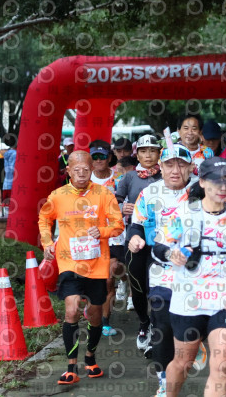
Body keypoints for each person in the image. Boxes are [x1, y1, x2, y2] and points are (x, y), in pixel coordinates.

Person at [159, 157, 226, 397]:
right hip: (189, 298)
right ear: (201, 182)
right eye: (216, 181)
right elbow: (159, 247)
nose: (223, 187)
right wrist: (171, 253)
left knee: (221, 364)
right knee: (183, 363)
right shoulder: (183, 214)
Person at [38, 150, 124, 385]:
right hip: (69, 262)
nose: (82, 173)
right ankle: (71, 367)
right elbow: (44, 219)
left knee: (95, 315)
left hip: (96, 264)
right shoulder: (58, 195)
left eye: (86, 169)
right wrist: (47, 242)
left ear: (92, 170)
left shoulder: (104, 194)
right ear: (68, 171)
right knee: (72, 310)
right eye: (76, 170)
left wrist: (102, 231)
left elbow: (118, 224)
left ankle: (91, 357)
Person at [127, 144, 201, 397]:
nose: (175, 170)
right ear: (160, 167)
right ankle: (163, 380)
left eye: (181, 164)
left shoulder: (203, 190)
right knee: (162, 323)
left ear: (191, 167)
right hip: (162, 268)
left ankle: (192, 348)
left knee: (190, 324)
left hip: (198, 270)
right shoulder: (150, 193)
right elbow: (137, 224)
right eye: (169, 164)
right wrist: (135, 238)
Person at [115, 134, 163, 350]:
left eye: (152, 151)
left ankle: (161, 324)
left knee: (159, 285)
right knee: (137, 282)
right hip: (136, 236)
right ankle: (144, 322)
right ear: (137, 155)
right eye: (143, 151)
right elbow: (113, 203)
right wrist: (122, 208)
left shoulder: (167, 175)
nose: (148, 155)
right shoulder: (129, 178)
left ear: (159, 154)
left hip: (163, 237)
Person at [88, 140, 125, 336]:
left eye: (102, 156)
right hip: (91, 235)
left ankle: (105, 322)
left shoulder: (120, 177)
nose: (98, 160)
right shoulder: (84, 179)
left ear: (109, 157)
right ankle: (93, 311)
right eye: (94, 156)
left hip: (114, 234)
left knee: (109, 279)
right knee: (95, 281)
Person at [2, 142, 17, 215]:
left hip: (6, 184)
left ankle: (6, 217)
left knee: (6, 203)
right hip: (14, 184)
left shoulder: (5, 154)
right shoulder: (16, 153)